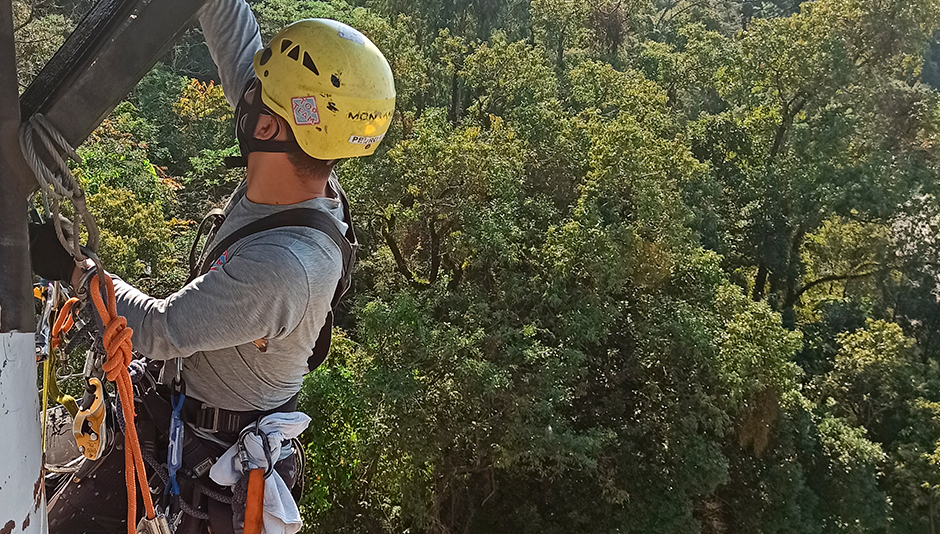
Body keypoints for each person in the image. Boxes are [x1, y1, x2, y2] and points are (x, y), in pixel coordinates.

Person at [30, 0, 395, 532]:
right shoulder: (299, 158)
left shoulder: (287, 267)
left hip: (215, 471)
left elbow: (158, 328)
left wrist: (75, 270)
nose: (244, 91)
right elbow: (230, 28)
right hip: (175, 424)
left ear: (267, 126)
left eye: (256, 92)